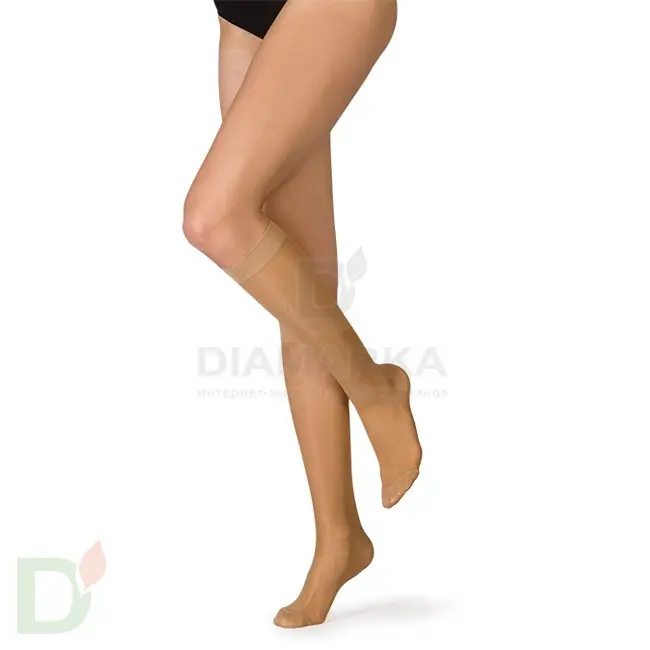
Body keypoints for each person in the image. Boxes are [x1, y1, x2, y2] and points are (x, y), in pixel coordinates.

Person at [183, 0, 422, 629]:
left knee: (214, 218)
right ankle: (339, 535)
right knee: (297, 287)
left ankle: (376, 388)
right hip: (243, 17)